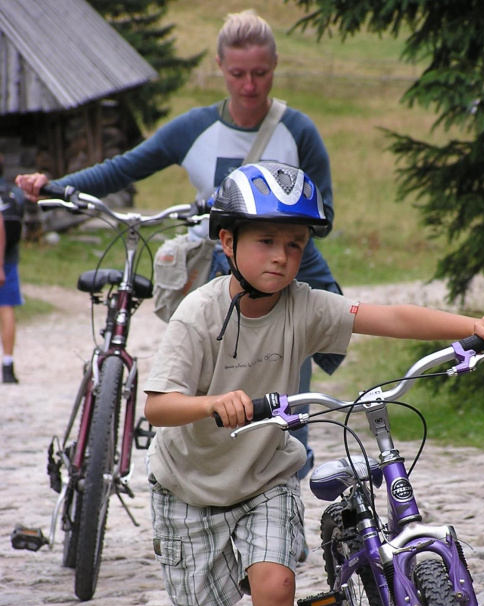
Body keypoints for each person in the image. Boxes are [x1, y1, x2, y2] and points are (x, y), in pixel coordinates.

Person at [142, 161, 484, 606]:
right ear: (227, 242)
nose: (282, 258)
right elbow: (157, 405)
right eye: (265, 241)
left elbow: (389, 316)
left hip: (264, 473)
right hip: (190, 483)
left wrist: (470, 326)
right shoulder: (199, 315)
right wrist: (212, 403)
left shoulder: (303, 307)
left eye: (295, 245)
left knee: (275, 585)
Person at [16, 9, 339, 482]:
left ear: (274, 66)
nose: (249, 85)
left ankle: (282, 514)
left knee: (287, 405)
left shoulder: (298, 130)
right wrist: (55, 185)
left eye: (260, 73)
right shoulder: (194, 128)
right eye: (237, 74)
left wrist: (273, 216)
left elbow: (324, 215)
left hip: (281, 282)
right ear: (219, 67)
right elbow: (123, 168)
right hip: (214, 277)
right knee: (208, 396)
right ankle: (203, 490)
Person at [0, 154, 25, 384]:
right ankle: (7, 365)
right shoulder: (14, 193)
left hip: (1, 261)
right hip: (9, 259)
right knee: (6, 309)